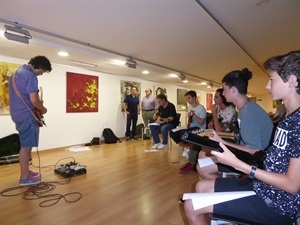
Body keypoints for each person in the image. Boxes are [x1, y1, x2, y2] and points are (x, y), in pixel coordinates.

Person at [184, 50, 300, 225]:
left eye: (271, 79)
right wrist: (223, 144)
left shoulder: (296, 123)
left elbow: (292, 185)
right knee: (200, 187)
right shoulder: (288, 120)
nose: (268, 86)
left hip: (278, 203)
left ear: (292, 80)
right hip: (265, 186)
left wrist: (239, 164)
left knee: (191, 205)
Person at [197, 68, 273, 179]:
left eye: (224, 89)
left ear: (233, 90)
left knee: (202, 167)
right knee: (202, 154)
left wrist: (222, 142)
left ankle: (220, 190)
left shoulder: (248, 112)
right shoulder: (245, 108)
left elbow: (255, 150)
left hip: (254, 159)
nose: (223, 93)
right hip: (248, 152)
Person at [8, 55, 52, 186]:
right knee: (26, 147)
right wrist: (43, 109)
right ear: (40, 67)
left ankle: (26, 172)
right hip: (27, 115)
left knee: (25, 145)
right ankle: (25, 178)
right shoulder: (30, 75)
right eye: (42, 72)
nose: (41, 75)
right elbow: (34, 100)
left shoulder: (16, 72)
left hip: (17, 114)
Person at [169, 90, 206, 174]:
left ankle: (189, 151)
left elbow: (201, 123)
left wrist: (195, 116)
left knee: (184, 134)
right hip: (191, 127)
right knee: (172, 132)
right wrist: (188, 122)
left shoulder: (201, 108)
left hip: (199, 128)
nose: (187, 100)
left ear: (194, 98)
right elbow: (189, 120)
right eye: (186, 98)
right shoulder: (189, 107)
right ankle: (186, 147)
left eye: (189, 98)